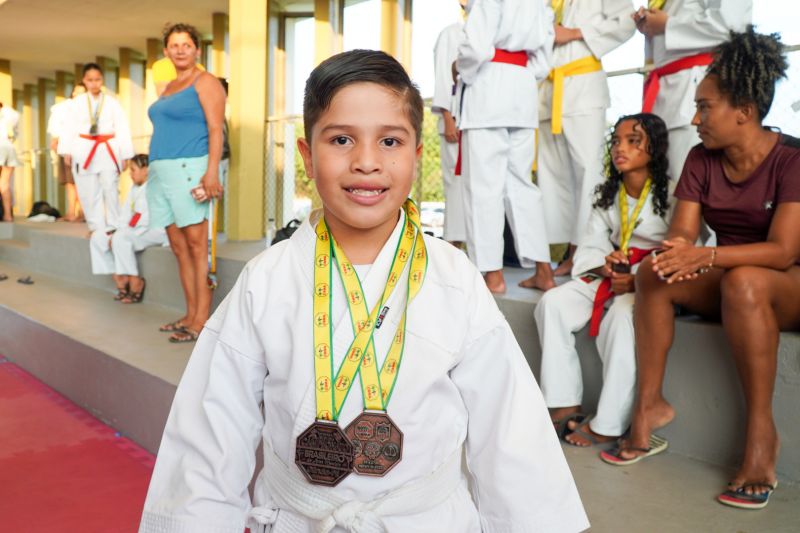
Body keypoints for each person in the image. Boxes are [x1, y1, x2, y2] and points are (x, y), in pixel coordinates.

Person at [138, 50, 589, 533]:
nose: (366, 163)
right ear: (307, 156)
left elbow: (510, 431)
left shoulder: (454, 278)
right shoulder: (265, 280)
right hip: (299, 518)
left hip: (425, 520)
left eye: (390, 141)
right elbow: (210, 437)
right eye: (341, 139)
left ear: (417, 156)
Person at [601, 27, 795, 511]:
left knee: (748, 281)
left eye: (705, 107)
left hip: (783, 284)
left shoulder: (792, 159)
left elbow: (782, 251)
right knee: (655, 272)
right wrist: (678, 249)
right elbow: (684, 234)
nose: (694, 118)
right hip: (730, 282)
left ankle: (760, 437)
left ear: (744, 112)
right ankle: (649, 408)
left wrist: (704, 255)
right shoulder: (700, 158)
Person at [535, 113, 671, 447]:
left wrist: (638, 276)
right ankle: (564, 400)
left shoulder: (674, 193)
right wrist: (605, 267)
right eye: (616, 141)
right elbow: (593, 244)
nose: (619, 149)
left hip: (652, 279)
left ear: (654, 148)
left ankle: (609, 422)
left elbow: (687, 243)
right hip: (610, 273)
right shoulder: (609, 194)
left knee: (621, 319)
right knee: (552, 303)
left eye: (633, 141)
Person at [520, 0, 636, 290]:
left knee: (589, 173)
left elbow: (628, 20)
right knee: (551, 178)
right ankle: (556, 255)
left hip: (583, 88)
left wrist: (575, 33)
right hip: (547, 92)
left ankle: (582, 253)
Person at [454, 0, 554, 293]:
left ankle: (492, 275)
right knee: (522, 185)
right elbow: (544, 61)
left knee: (484, 188)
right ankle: (543, 271)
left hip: (487, 89)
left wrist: (462, 72)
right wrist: (519, 73)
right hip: (521, 91)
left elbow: (476, 48)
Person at [147, 23, 225, 343]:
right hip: (160, 172)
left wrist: (211, 172)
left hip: (189, 168)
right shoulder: (167, 87)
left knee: (196, 247)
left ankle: (202, 321)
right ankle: (190, 313)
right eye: (174, 45)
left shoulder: (205, 82)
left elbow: (216, 129)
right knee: (179, 249)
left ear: (197, 50)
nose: (180, 49)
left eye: (186, 44)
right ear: (166, 51)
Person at [633, 0, 751, 180]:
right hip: (665, 87)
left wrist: (667, 25)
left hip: (698, 85)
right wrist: (649, 24)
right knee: (664, 184)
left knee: (690, 178)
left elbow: (729, 25)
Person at [59, 64, 134, 233]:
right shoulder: (76, 103)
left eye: (97, 79)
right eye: (90, 80)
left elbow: (122, 127)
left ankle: (114, 224)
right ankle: (96, 226)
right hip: (83, 149)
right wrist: (67, 151)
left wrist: (125, 154)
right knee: (88, 190)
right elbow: (68, 127)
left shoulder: (112, 103)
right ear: (84, 81)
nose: (94, 83)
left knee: (110, 186)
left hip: (107, 148)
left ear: (102, 80)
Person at [89, 154, 167, 303]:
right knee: (98, 237)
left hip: (154, 231)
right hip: (135, 229)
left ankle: (135, 280)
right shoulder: (134, 188)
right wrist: (115, 230)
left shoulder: (154, 187)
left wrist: (120, 232)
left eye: (133, 170)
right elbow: (125, 214)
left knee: (120, 238)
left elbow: (144, 217)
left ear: (146, 170)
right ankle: (119, 276)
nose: (130, 174)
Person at [431, 2, 466, 245]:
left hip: (477, 119)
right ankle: (453, 244)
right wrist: (447, 116)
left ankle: (470, 246)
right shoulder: (450, 33)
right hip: (453, 116)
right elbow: (444, 75)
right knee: (455, 186)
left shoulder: (490, 35)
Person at [49, 84, 87, 222]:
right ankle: (72, 211)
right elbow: (57, 126)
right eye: (77, 92)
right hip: (66, 148)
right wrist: (55, 140)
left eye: (82, 92)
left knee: (80, 181)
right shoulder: (65, 108)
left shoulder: (87, 109)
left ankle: (82, 212)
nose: (79, 94)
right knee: (69, 182)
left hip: (81, 149)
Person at [0, 100, 21, 222]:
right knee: (5, 184)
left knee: (3, 184)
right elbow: (14, 134)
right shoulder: (11, 115)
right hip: (9, 148)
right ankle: (8, 215)